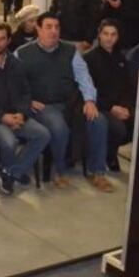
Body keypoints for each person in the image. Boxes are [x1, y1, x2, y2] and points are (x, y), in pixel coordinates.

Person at [16, 12, 113, 192]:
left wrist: (90, 100)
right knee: (59, 127)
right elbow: (13, 84)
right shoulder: (22, 53)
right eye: (48, 27)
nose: (54, 31)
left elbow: (84, 77)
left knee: (98, 121)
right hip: (42, 106)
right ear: (38, 29)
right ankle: (59, 171)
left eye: (57, 27)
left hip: (70, 103)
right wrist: (27, 101)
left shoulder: (70, 51)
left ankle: (97, 172)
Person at [0, 22, 48, 194]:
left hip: (15, 115)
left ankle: (10, 172)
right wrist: (2, 117)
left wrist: (21, 114)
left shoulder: (16, 63)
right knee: (9, 141)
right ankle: (12, 172)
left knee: (42, 134)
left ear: (8, 41)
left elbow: (25, 93)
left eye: (2, 39)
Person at [84, 20, 134, 172]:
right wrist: (111, 108)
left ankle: (109, 151)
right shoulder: (89, 59)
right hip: (99, 106)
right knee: (119, 129)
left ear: (118, 37)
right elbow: (88, 91)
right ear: (99, 35)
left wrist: (125, 106)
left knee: (137, 123)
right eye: (105, 34)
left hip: (119, 105)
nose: (109, 38)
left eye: (113, 34)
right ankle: (109, 155)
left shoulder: (121, 58)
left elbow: (127, 86)